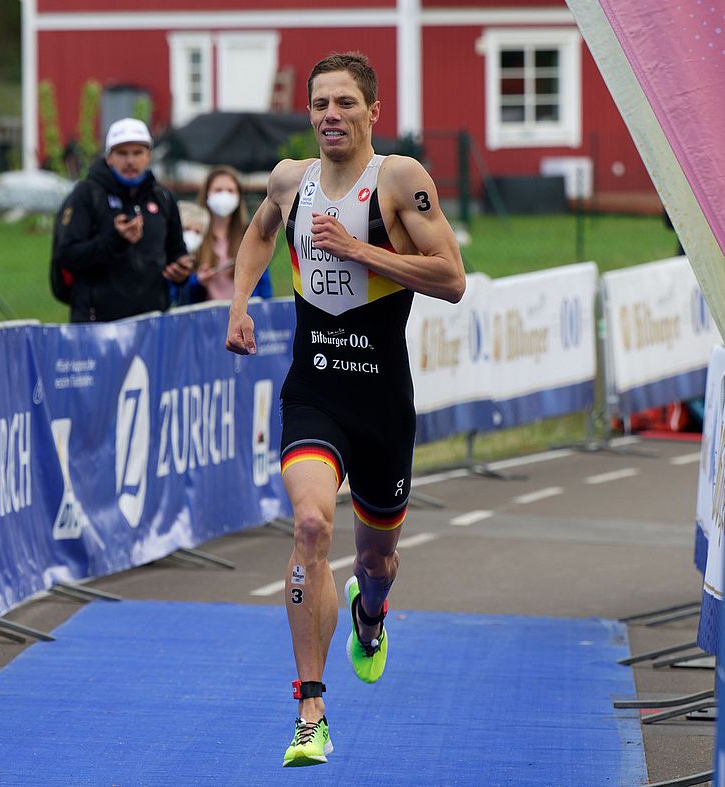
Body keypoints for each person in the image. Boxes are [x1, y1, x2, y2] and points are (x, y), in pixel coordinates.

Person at [224, 52, 465, 767]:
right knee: (308, 524)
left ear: (372, 113)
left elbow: (451, 278)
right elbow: (261, 229)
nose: (332, 114)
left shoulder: (400, 180)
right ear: (309, 113)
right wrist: (239, 304)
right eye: (321, 103)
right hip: (315, 392)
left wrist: (360, 249)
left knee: (377, 558)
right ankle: (310, 707)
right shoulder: (289, 179)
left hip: (382, 403)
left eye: (345, 104)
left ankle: (372, 611)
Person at [51, 118, 192, 322]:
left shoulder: (163, 197)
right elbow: (67, 255)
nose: (130, 161)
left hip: (152, 323)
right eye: (122, 153)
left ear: (148, 156)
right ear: (109, 157)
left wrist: (182, 273)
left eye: (137, 153)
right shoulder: (87, 194)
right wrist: (114, 240)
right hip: (96, 324)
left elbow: (176, 251)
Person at [186, 166, 272, 303]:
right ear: (207, 194)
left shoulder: (250, 236)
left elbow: (263, 284)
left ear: (238, 197)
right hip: (204, 319)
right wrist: (197, 281)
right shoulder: (191, 236)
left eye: (230, 191)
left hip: (243, 318)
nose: (224, 195)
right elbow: (178, 288)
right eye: (218, 190)